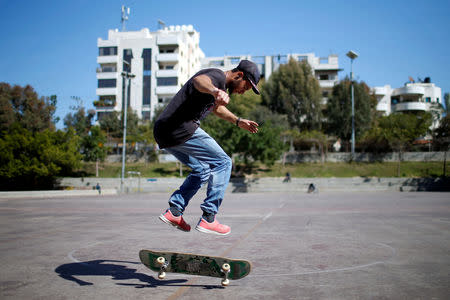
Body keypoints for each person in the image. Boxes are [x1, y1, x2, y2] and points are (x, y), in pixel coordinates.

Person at [154, 60, 261, 236]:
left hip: (164, 131)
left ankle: (174, 211)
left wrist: (238, 121)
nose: (243, 92)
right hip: (180, 127)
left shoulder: (219, 88)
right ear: (239, 75)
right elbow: (199, 81)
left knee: (202, 170)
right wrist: (215, 90)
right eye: (246, 87)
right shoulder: (217, 77)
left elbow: (217, 109)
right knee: (223, 162)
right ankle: (209, 217)